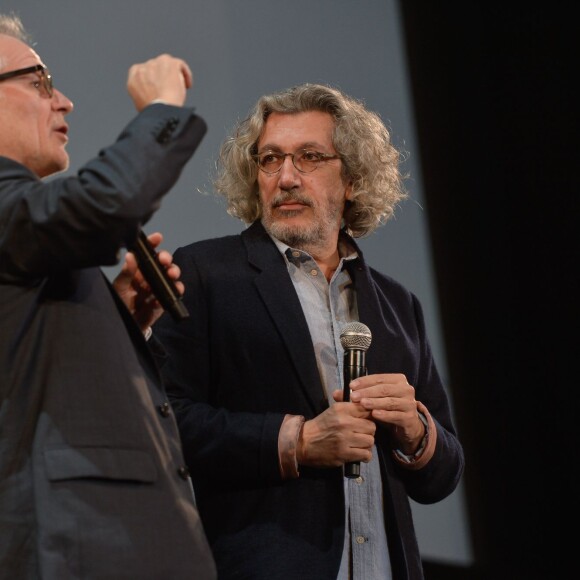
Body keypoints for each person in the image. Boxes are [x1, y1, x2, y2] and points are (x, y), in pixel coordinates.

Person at [153, 82, 465, 579]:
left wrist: (416, 430)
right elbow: (164, 422)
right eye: (270, 160)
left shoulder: (398, 303)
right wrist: (296, 441)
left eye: (310, 157)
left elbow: (442, 476)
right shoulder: (205, 274)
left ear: (353, 180)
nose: (287, 178)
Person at [0, 14, 216, 580]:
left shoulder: (21, 229)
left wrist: (121, 314)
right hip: (77, 548)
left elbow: (28, 363)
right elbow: (105, 205)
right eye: (39, 81)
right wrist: (161, 111)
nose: (64, 101)